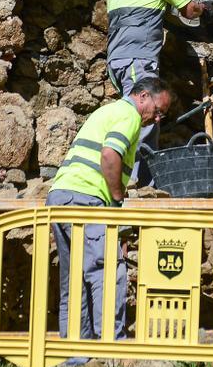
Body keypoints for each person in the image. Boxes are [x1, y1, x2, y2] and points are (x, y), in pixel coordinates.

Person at [46, 77, 173, 340]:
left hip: (61, 196)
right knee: (107, 272)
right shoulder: (129, 116)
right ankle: (109, 350)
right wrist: (116, 199)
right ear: (142, 97)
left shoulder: (108, 111)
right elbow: (109, 154)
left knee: (74, 280)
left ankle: (74, 355)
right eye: (158, 110)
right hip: (86, 199)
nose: (157, 119)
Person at [104, 0, 207, 185]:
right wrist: (204, 8)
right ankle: (138, 184)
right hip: (138, 57)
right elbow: (187, 11)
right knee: (145, 116)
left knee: (130, 115)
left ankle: (136, 180)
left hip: (116, 59)